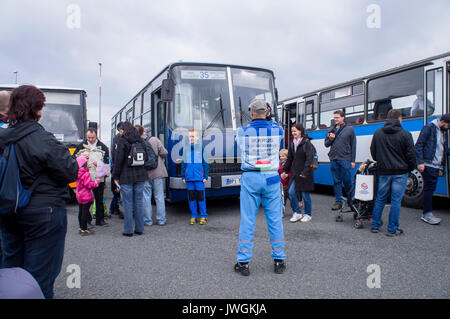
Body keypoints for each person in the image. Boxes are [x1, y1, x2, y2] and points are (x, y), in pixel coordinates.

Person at [0, 85, 78, 298]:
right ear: (37, 110)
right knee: (39, 278)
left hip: (8, 210)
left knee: (10, 273)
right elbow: (70, 171)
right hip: (44, 213)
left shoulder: (3, 138)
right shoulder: (42, 139)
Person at [234, 99, 286, 276]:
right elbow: (274, 129)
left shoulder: (242, 132)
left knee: (248, 219)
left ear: (251, 113)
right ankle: (279, 259)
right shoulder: (278, 130)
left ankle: (244, 262)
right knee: (275, 219)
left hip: (251, 176)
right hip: (271, 176)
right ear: (267, 111)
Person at [370, 109, 416, 236]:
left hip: (384, 171)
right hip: (400, 172)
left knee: (380, 198)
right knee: (396, 201)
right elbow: (411, 155)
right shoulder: (405, 134)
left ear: (387, 119)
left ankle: (375, 225)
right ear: (399, 119)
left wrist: (381, 161)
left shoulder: (378, 133)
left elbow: (373, 153)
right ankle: (392, 229)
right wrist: (410, 168)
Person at [112, 122, 149, 237]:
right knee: (139, 202)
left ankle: (128, 230)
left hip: (126, 176)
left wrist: (115, 176)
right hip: (140, 175)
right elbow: (146, 157)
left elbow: (119, 160)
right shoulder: (141, 140)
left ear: (124, 130)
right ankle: (139, 228)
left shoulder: (123, 141)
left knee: (127, 204)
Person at [415, 114, 450, 225]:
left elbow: (441, 149)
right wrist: (420, 162)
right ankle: (427, 214)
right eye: (448, 125)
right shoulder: (429, 128)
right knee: (429, 189)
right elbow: (419, 145)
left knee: (431, 188)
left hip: (435, 165)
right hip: (428, 164)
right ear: (443, 121)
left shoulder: (442, 131)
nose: (448, 128)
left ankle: (427, 213)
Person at [74, 128, 110, 226]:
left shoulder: (103, 147)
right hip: (85, 178)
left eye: (92, 137)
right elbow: (74, 160)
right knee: (86, 201)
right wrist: (81, 159)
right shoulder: (80, 146)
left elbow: (107, 163)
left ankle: (100, 219)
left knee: (99, 199)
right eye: (88, 137)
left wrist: (99, 164)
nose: (90, 139)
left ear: (96, 135)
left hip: (98, 177)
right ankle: (87, 219)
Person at [282, 123, 315, 223]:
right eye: (292, 131)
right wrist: (284, 170)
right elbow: (290, 159)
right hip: (295, 173)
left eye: (295, 131)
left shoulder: (307, 143)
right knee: (291, 192)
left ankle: (308, 214)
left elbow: (310, 159)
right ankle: (297, 212)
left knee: (305, 195)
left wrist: (305, 172)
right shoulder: (292, 143)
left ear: (300, 131)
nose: (293, 133)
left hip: (305, 173)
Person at [136, 125, 168, 226]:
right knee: (159, 196)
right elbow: (164, 152)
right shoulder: (154, 139)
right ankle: (161, 220)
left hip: (145, 173)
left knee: (146, 197)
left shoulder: (136, 143)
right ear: (144, 131)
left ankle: (148, 221)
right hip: (158, 172)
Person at [324, 110, 356, 210]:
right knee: (336, 181)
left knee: (347, 181)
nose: (335, 119)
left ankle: (351, 202)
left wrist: (353, 160)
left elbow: (353, 145)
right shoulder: (331, 129)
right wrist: (331, 139)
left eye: (337, 117)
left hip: (345, 159)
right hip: (334, 159)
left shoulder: (350, 129)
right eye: (334, 118)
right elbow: (326, 144)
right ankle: (338, 202)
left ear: (343, 118)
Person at [181, 129, 209, 225]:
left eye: (193, 136)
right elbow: (183, 164)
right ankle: (193, 216)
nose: (191, 138)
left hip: (199, 179)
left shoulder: (201, 149)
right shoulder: (186, 149)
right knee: (191, 199)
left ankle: (204, 216)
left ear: (197, 138)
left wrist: (205, 176)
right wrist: (183, 177)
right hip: (189, 179)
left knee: (201, 198)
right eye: (190, 136)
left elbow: (206, 163)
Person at [76, 156, 101, 236]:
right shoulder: (85, 174)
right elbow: (89, 185)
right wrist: (97, 181)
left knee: (81, 212)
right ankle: (84, 229)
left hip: (79, 195)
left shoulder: (78, 172)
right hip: (86, 196)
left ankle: (81, 227)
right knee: (85, 213)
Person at [109, 122, 125, 218]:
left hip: (115, 168)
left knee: (117, 191)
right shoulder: (119, 138)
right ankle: (115, 209)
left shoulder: (116, 138)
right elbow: (117, 156)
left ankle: (113, 208)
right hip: (118, 169)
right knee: (118, 190)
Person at [278, 149, 290, 215]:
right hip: (282, 185)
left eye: (283, 156)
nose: (281, 157)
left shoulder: (289, 164)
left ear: (287, 157)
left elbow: (291, 172)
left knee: (292, 198)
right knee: (282, 200)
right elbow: (278, 172)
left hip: (288, 184)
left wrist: (287, 175)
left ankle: (296, 210)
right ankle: (282, 212)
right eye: (280, 156)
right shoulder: (279, 164)